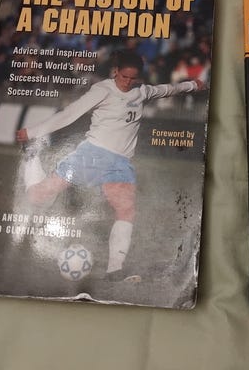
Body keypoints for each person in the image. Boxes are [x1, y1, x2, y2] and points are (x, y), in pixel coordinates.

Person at [16, 49, 205, 281]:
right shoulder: (102, 90)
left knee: (126, 210)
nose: (127, 82)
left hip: (120, 163)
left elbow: (168, 89)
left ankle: (115, 269)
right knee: (37, 197)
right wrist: (32, 132)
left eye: (133, 78)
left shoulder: (141, 91)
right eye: (124, 77)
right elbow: (69, 114)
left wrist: (192, 85)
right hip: (91, 155)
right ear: (116, 72)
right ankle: (32, 155)